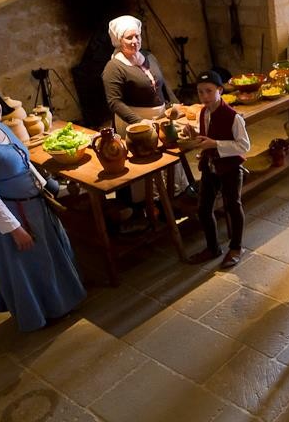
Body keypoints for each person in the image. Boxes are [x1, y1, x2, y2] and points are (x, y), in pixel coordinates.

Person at [0, 84, 86, 332]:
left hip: (34, 206)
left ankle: (62, 303)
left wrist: (48, 185)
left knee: (50, 257)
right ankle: (41, 314)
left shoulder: (3, 129)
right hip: (14, 215)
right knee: (33, 265)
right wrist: (15, 230)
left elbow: (24, 162)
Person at [185, 71, 251, 268]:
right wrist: (195, 135)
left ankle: (236, 247)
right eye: (200, 92)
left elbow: (244, 146)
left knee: (233, 206)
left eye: (209, 91)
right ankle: (212, 248)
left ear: (220, 90)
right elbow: (209, 135)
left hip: (230, 168)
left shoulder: (233, 116)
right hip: (210, 165)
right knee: (203, 208)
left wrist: (215, 144)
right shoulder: (203, 112)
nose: (204, 96)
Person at [102, 15, 181, 136]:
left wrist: (175, 103)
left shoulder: (149, 56)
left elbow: (162, 82)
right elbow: (114, 102)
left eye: (137, 36)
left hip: (160, 117)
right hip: (134, 124)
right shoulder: (113, 67)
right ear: (119, 40)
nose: (135, 41)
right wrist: (139, 121)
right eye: (129, 38)